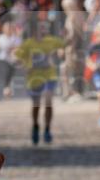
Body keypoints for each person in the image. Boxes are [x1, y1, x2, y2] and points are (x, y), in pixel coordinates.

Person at [15, 13, 64, 145]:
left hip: (50, 75)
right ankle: (36, 126)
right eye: (40, 28)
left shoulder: (52, 40)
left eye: (44, 28)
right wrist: (25, 66)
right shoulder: (28, 44)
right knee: (36, 105)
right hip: (34, 78)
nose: (43, 30)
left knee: (48, 101)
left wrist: (61, 52)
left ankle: (47, 129)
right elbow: (17, 58)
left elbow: (64, 46)